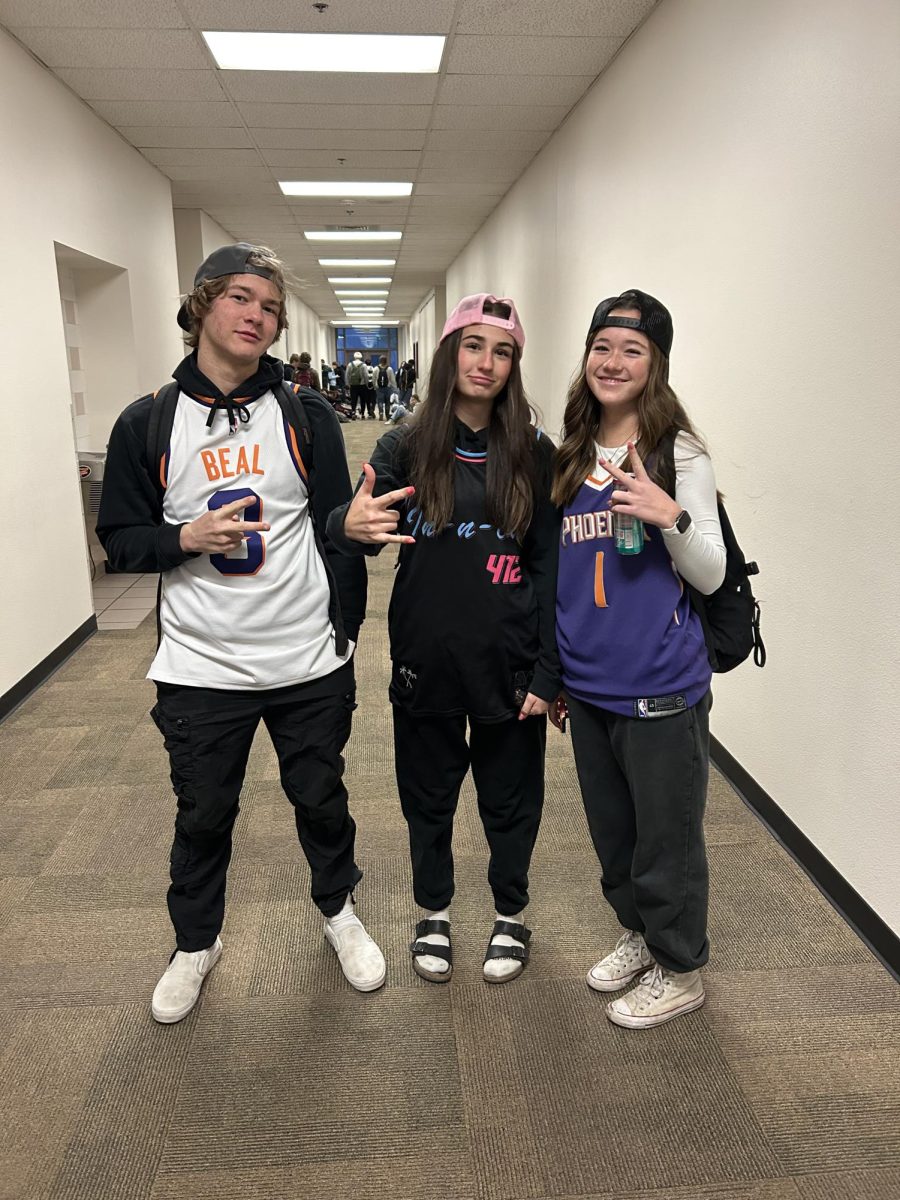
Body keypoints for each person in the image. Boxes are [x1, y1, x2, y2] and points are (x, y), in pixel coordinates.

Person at [97, 242, 385, 1024]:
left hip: (305, 657)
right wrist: (183, 539)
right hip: (200, 666)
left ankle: (339, 912)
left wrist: (346, 622)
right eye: (241, 299)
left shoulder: (304, 412)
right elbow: (119, 537)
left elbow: (333, 525)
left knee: (321, 798)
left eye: (269, 307)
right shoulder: (148, 422)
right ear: (200, 306)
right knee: (202, 813)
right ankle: (197, 943)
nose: (257, 316)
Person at [327, 294, 560, 985]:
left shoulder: (533, 451)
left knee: (510, 800)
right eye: (473, 346)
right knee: (427, 797)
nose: (486, 363)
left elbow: (549, 567)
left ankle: (511, 913)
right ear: (449, 353)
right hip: (425, 660)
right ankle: (434, 908)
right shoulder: (406, 444)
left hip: (510, 663)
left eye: (503, 350)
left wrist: (550, 673)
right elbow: (358, 525)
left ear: (514, 364)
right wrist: (349, 522)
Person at [551, 289, 725, 1028]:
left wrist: (670, 515)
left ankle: (680, 968)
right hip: (588, 688)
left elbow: (711, 571)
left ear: (655, 367)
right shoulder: (566, 456)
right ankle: (639, 935)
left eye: (633, 351)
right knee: (615, 837)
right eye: (602, 346)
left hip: (659, 687)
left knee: (667, 840)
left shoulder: (677, 453)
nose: (613, 361)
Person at [374, 355, 397, 422]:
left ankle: (381, 413)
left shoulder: (376, 368)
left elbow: (374, 378)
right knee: (387, 402)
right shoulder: (389, 369)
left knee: (380, 401)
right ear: (386, 361)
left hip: (379, 388)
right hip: (387, 387)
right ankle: (387, 415)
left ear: (380, 361)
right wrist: (394, 387)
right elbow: (392, 379)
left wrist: (375, 386)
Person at [346, 351, 369, 418]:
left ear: (354, 357)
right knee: (362, 399)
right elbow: (366, 375)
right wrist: (367, 384)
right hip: (362, 385)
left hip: (353, 385)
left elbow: (347, 375)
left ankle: (353, 412)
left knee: (353, 399)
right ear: (361, 357)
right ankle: (362, 413)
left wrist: (348, 383)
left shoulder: (350, 364)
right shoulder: (364, 365)